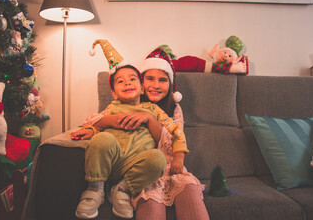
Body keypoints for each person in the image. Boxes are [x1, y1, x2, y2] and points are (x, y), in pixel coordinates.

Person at [72, 40, 189, 219]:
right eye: (121, 81)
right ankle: (95, 189)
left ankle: (121, 190)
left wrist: (179, 154)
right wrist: (93, 129)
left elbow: (174, 135)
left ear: (140, 87)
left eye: (132, 79)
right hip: (113, 159)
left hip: (136, 165)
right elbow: (97, 122)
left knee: (157, 158)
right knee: (104, 140)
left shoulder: (155, 110)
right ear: (113, 92)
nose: (127, 83)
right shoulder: (113, 107)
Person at [132, 47, 210, 220]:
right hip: (146, 172)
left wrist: (150, 120)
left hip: (173, 168)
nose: (156, 85)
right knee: (151, 205)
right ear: (141, 82)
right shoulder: (132, 105)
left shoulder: (175, 109)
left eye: (163, 80)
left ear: (171, 84)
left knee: (189, 190)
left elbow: (174, 139)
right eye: (150, 78)